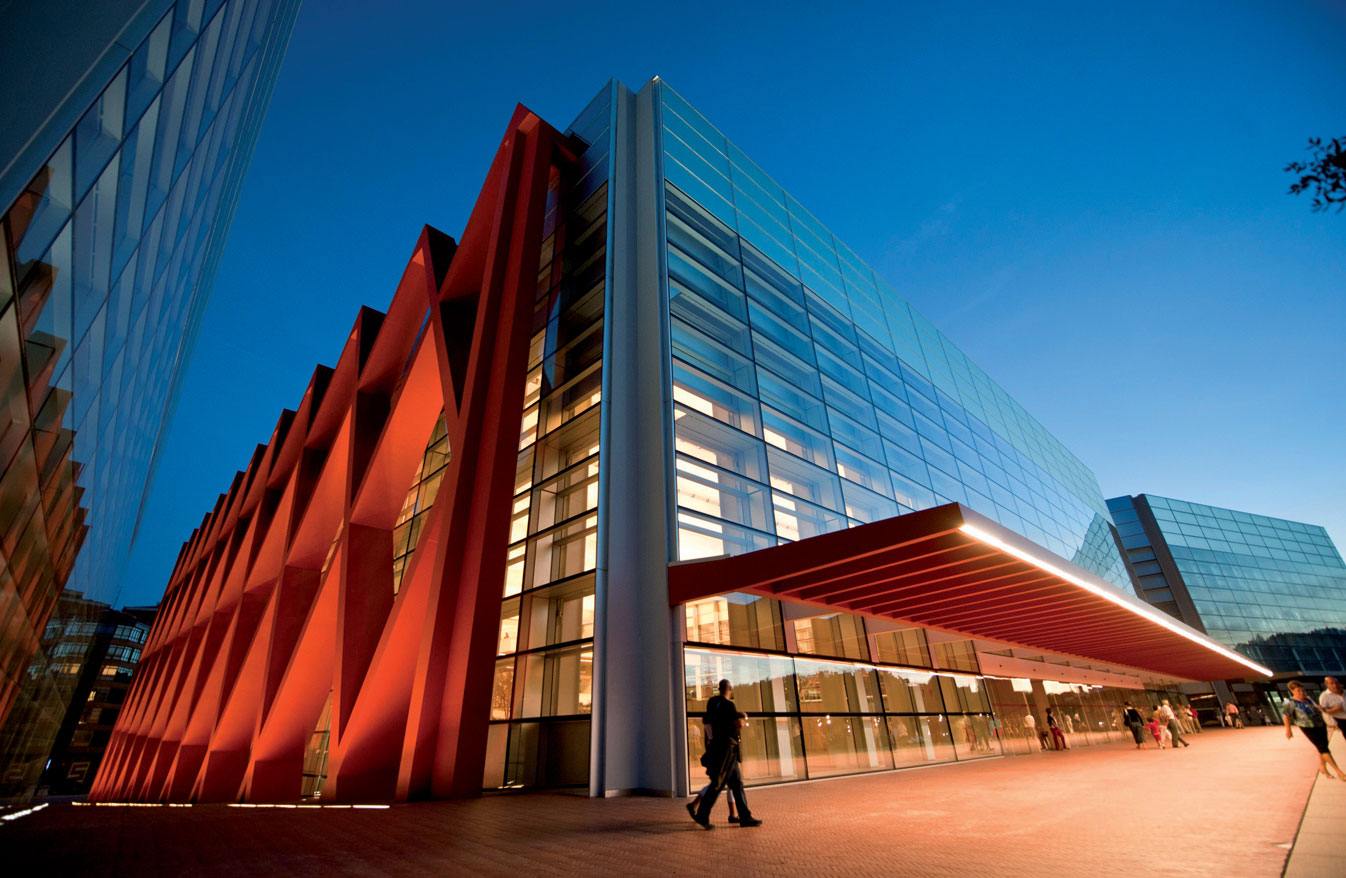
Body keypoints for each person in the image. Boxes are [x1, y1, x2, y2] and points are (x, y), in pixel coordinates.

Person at [691, 679, 762, 829]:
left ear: (719, 688)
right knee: (718, 783)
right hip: (728, 749)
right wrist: (743, 718)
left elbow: (709, 721)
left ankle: (745, 817)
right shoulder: (729, 705)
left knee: (737, 784)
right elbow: (738, 724)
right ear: (730, 689)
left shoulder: (712, 703)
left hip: (718, 747)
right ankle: (702, 815)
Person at [1282, 679, 1346, 781]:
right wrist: (1288, 730)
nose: (1301, 693)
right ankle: (1339, 772)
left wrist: (1334, 723)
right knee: (1323, 748)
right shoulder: (1289, 702)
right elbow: (1286, 716)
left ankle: (1323, 767)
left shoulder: (1309, 699)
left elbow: (1320, 711)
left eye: (1302, 690)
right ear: (1292, 691)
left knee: (1323, 747)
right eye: (1298, 691)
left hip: (1320, 725)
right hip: (1307, 727)